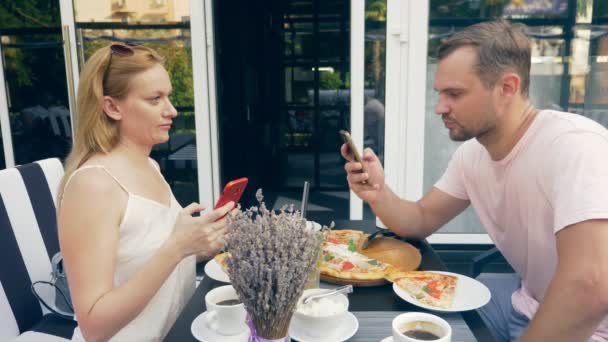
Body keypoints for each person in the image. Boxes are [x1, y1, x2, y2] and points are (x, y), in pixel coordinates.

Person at [342, 20, 608, 342]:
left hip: (589, 328)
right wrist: (378, 193)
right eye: (440, 93)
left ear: (507, 88)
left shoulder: (574, 146)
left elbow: (591, 285)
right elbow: (420, 219)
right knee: (400, 323)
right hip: (522, 300)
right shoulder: (473, 155)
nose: (440, 107)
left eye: (454, 94)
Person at [58, 43, 234, 342]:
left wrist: (200, 246)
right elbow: (94, 327)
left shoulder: (149, 165)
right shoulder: (93, 186)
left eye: (168, 96)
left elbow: (142, 257)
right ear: (112, 107)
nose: (172, 110)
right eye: (155, 99)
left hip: (180, 331)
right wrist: (177, 247)